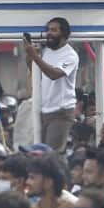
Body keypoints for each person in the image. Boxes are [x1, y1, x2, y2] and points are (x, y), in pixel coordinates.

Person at [25, 17, 79, 151]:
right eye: (48, 30)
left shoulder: (70, 55)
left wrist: (35, 56)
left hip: (61, 112)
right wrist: (29, 54)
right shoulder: (46, 51)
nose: (49, 33)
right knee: (39, 152)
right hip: (44, 110)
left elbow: (54, 74)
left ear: (64, 34)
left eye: (54, 30)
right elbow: (34, 69)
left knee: (51, 154)